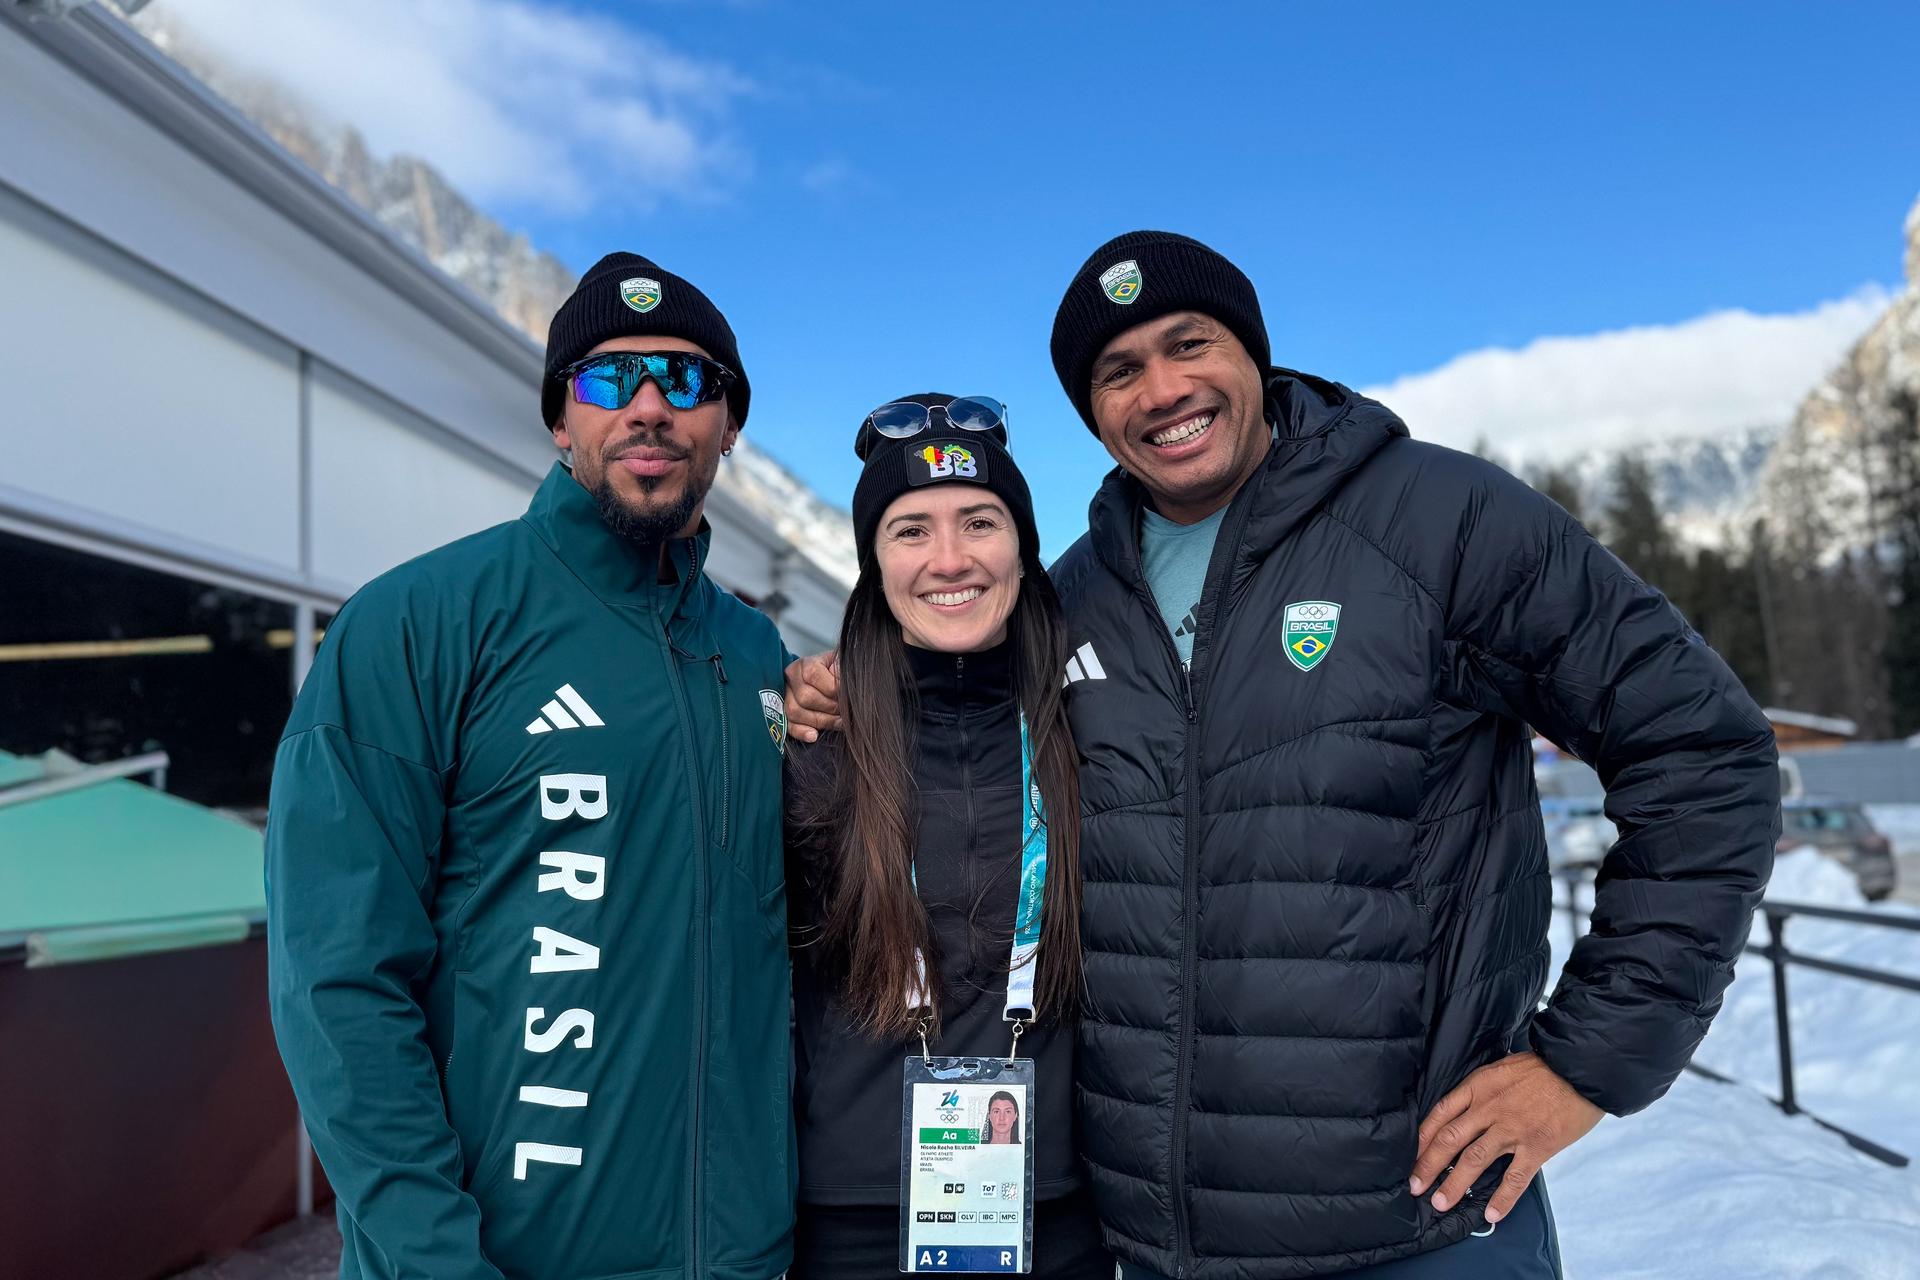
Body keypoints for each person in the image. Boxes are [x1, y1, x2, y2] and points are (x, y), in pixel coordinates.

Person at [788, 233, 1780, 1278]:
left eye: (1190, 344)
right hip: (1162, 1242)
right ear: (1093, 412)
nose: (1164, 389)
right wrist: (848, 683)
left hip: (1413, 1222)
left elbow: (1703, 752)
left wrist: (1585, 1061)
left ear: (1253, 355)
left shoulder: (1441, 521)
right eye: (1120, 372)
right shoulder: (1072, 599)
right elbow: (957, 694)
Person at [266, 253, 796, 1280]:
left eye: (686, 380)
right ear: (561, 419)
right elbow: (338, 982)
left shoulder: (757, 656)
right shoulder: (420, 622)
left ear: (729, 425)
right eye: (608, 379)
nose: (649, 407)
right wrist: (433, 1261)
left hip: (741, 1257)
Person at [782, 395, 1112, 1279]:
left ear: (1022, 547)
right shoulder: (811, 751)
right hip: (853, 1227)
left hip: (1057, 1219)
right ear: (872, 564)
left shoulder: (1095, 732)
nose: (951, 560)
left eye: (980, 521)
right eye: (911, 531)